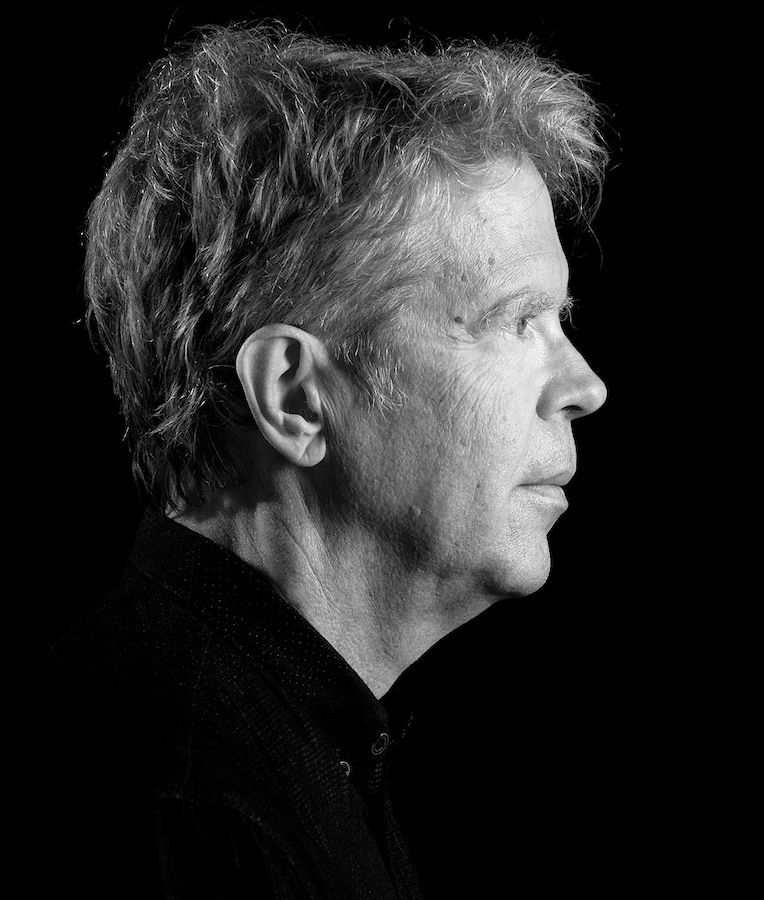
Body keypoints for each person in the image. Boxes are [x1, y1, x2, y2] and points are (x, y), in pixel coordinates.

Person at [13, 23, 607, 897]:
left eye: (561, 320)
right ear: (294, 396)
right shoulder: (189, 816)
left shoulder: (289, 744)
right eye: (515, 321)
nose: (585, 386)